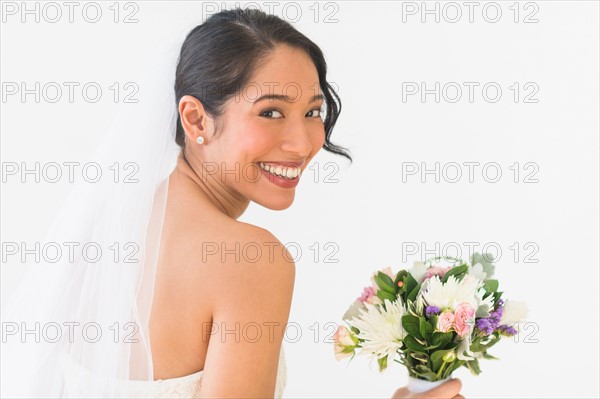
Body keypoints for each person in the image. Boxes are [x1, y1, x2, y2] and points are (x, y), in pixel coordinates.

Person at [1, 8, 464, 399]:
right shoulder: (252, 259)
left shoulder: (106, 226)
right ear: (196, 118)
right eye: (270, 112)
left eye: (313, 111)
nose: (303, 143)